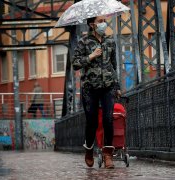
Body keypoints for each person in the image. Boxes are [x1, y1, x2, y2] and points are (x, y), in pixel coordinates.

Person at [72, 16, 121, 169]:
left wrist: (117, 86)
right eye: (100, 21)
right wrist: (91, 56)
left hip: (108, 86)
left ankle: (107, 154)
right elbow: (75, 64)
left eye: (104, 20)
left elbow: (114, 65)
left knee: (108, 119)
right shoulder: (84, 42)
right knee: (92, 122)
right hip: (90, 88)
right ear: (92, 24)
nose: (103, 23)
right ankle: (88, 150)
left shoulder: (110, 41)